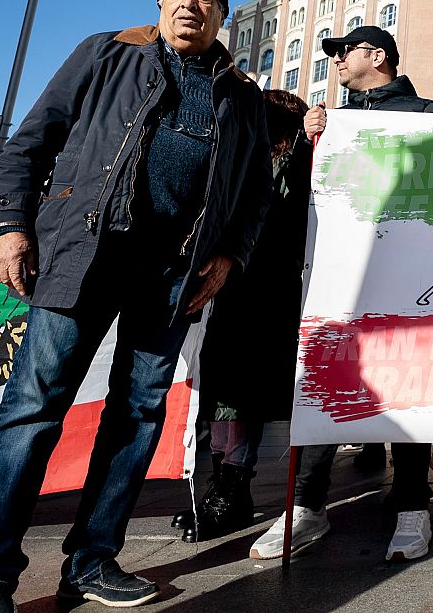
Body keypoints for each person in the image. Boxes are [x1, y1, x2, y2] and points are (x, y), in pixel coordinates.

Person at [0, 0, 272, 613]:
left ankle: (93, 561)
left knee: (137, 415)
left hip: (173, 276)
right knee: (32, 410)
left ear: (222, 14)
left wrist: (229, 258)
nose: (191, 4)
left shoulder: (241, 96)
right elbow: (30, 142)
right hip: (84, 254)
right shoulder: (106, 54)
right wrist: (9, 226)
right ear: (160, 5)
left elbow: (256, 196)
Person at [254, 25, 433, 564]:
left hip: (404, 278)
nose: (336, 60)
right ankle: (305, 507)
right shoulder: (329, 121)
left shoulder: (427, 113)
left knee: (403, 390)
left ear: (377, 57)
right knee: (323, 384)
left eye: (345, 50)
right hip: (338, 280)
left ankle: (413, 505)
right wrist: (305, 143)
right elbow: (295, 198)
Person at [180, 90, 313, 541]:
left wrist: (308, 143)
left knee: (253, 391)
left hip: (279, 293)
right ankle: (227, 487)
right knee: (222, 389)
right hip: (232, 287)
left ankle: (238, 486)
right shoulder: (240, 158)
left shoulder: (304, 161)